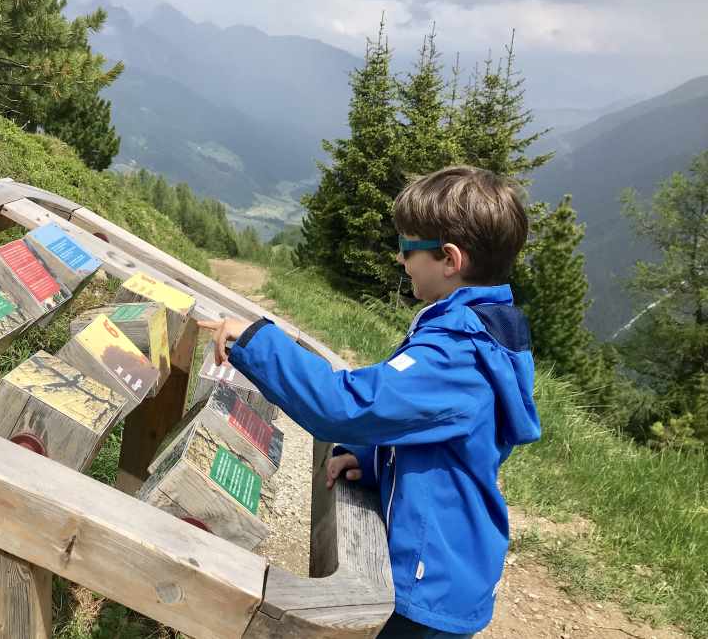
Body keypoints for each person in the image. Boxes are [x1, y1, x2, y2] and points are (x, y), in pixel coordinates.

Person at [198, 166, 541, 638]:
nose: (401, 261)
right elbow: (423, 426)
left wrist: (257, 342)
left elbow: (347, 407)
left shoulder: (457, 357)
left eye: (407, 248)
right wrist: (373, 459)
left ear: (449, 259)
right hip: (443, 562)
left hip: (426, 583)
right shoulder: (472, 331)